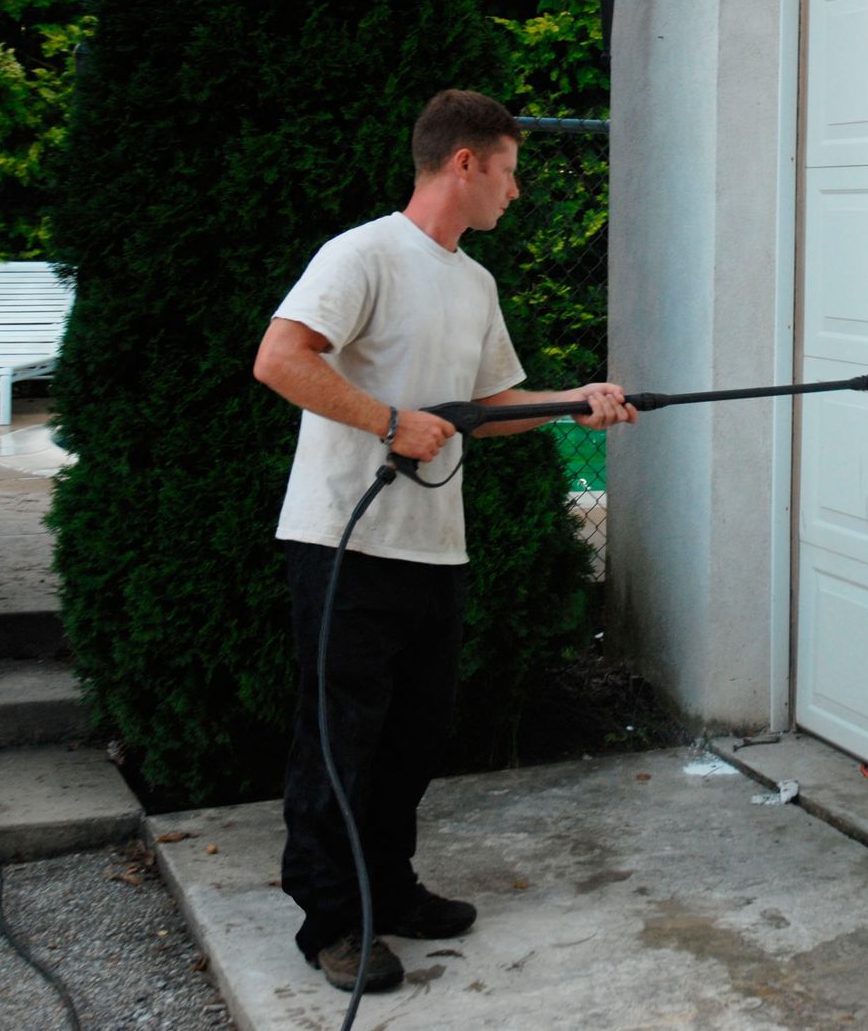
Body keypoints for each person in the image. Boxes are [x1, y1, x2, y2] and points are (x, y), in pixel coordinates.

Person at [252, 88, 636, 993]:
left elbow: (487, 408)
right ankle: (333, 923)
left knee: (413, 738)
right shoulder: (363, 255)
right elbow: (280, 357)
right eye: (510, 171)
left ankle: (389, 887)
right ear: (465, 162)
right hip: (344, 542)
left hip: (435, 550)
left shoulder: (474, 282)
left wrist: (573, 401)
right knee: (339, 738)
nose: (516, 192)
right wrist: (389, 420)